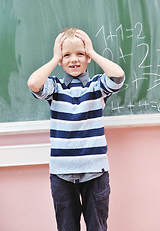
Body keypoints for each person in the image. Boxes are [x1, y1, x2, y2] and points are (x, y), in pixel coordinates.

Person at [27, 28, 125, 231]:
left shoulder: (96, 86)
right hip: (62, 175)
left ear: (88, 57)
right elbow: (33, 83)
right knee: (66, 228)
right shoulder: (55, 88)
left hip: (95, 173)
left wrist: (93, 52)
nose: (74, 60)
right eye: (67, 55)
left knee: (97, 227)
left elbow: (118, 76)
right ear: (60, 60)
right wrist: (55, 57)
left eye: (80, 54)